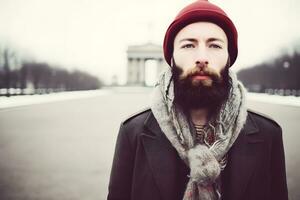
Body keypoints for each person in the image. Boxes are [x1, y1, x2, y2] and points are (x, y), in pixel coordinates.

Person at [107, 0, 288, 199]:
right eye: (188, 45)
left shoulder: (269, 134)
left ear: (229, 58)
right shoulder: (132, 132)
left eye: (215, 45)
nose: (202, 57)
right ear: (172, 58)